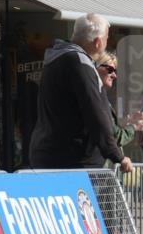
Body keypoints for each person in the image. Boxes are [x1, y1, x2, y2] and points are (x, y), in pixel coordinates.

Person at [29, 14, 132, 172]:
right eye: (106, 38)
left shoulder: (56, 58)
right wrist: (118, 156)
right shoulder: (80, 63)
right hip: (73, 163)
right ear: (98, 42)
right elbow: (96, 114)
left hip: (49, 155)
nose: (106, 43)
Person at [96, 51, 143, 158]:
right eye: (110, 70)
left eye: (115, 71)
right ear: (96, 68)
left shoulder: (101, 96)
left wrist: (128, 123)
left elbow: (111, 130)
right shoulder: (96, 98)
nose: (114, 75)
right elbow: (114, 137)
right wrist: (134, 126)